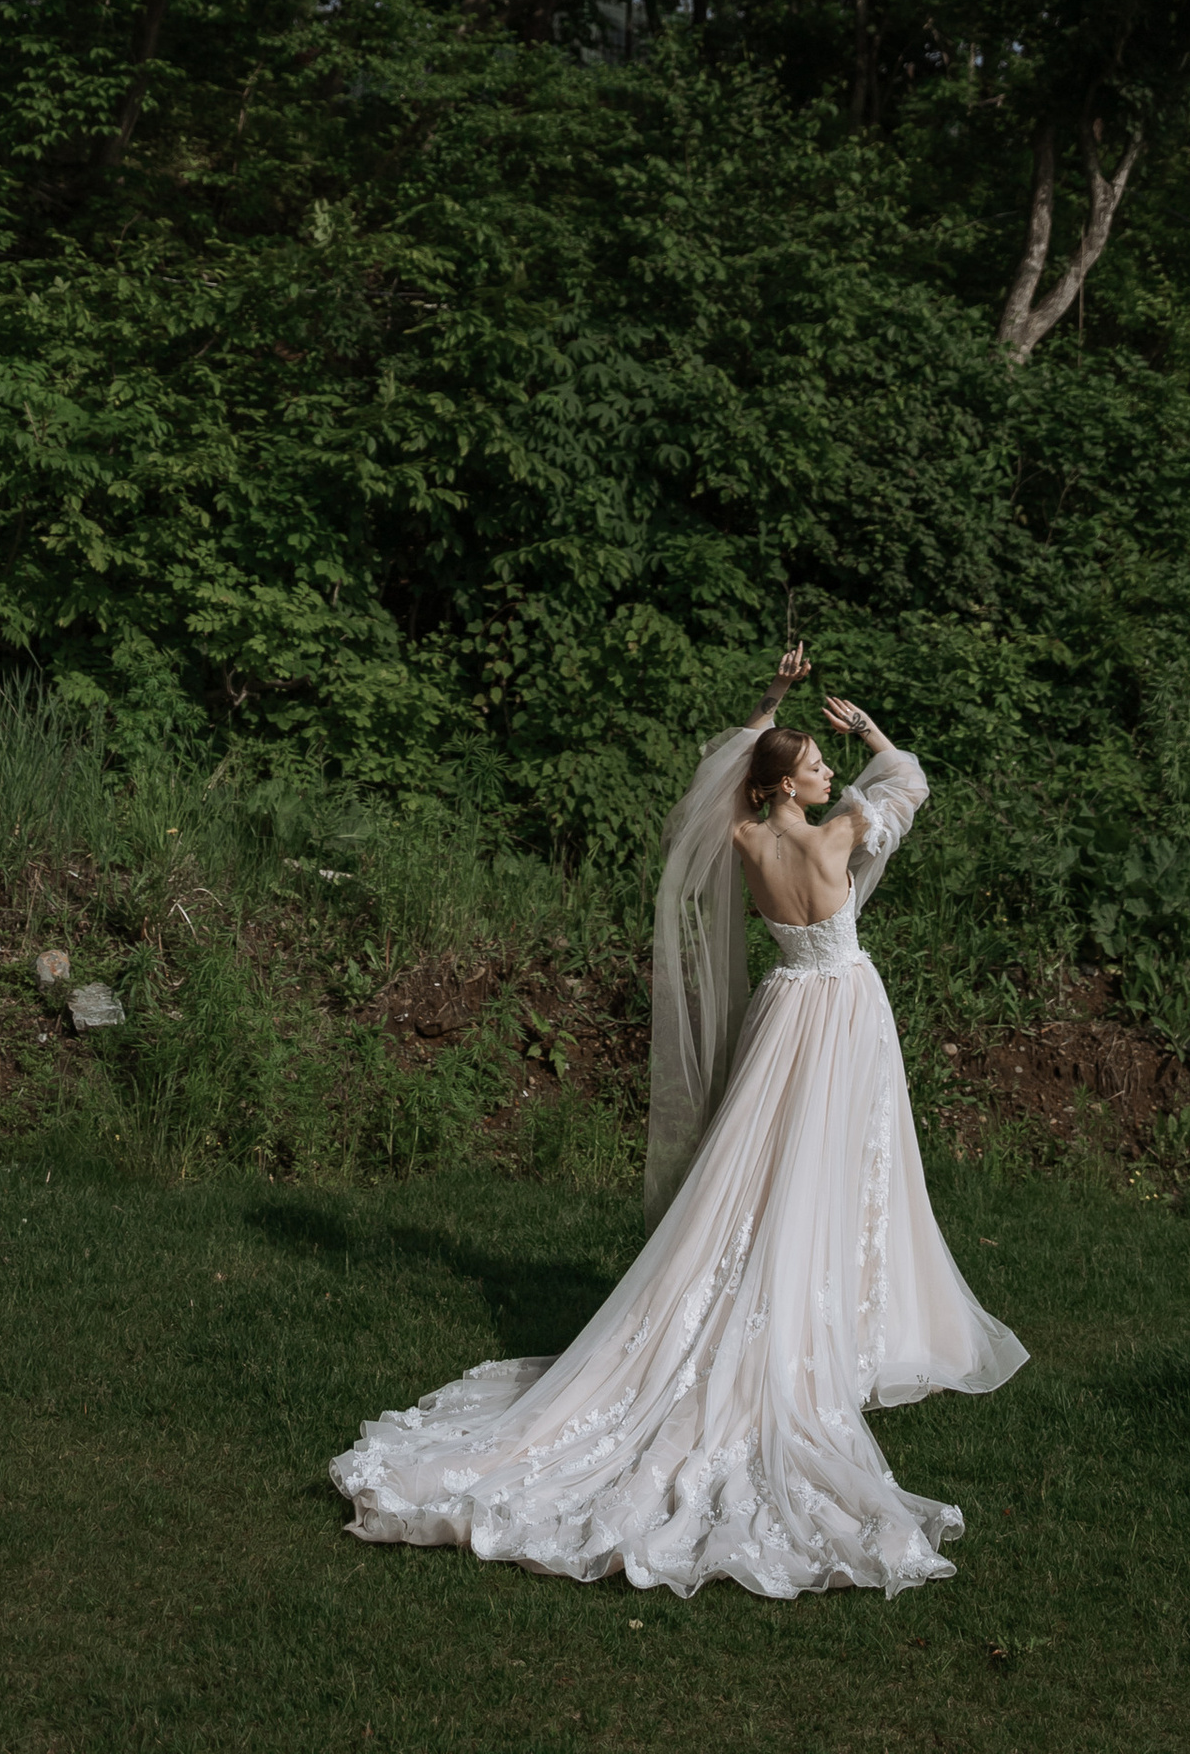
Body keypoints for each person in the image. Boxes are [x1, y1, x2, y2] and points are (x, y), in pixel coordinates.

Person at [330, 645, 1026, 1599]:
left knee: (761, 1164)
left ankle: (782, 1291)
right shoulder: (839, 837)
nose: (832, 772)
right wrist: (873, 733)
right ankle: (839, 1316)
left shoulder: (744, 841)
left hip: (785, 1007)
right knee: (839, 1160)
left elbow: (724, 774)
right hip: (844, 1011)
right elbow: (912, 780)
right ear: (788, 786)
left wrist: (773, 699)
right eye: (816, 764)